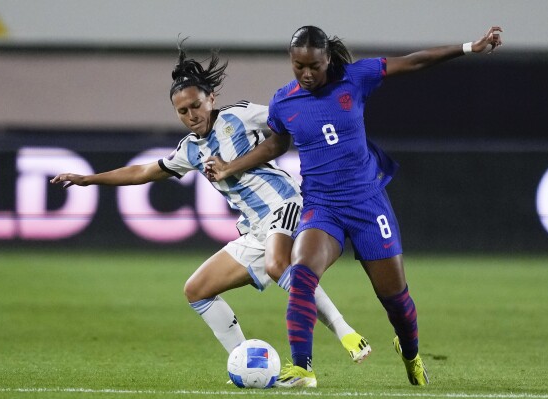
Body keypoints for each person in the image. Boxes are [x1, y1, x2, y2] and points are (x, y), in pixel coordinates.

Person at [205, 26, 503, 387]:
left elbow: (413, 61)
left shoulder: (355, 78)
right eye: (299, 66)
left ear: (327, 58)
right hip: (321, 206)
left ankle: (410, 353)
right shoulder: (284, 102)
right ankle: (302, 368)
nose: (307, 73)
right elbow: (275, 145)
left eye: (314, 65)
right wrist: (230, 167)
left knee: (396, 300)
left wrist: (471, 47)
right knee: (300, 275)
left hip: (367, 205)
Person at [49, 41, 372, 374]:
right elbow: (143, 171)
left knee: (279, 265)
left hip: (284, 204)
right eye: (183, 111)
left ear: (211, 98)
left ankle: (346, 333)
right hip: (253, 228)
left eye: (196, 106)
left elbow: (287, 125)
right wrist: (89, 179)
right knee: (197, 290)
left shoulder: (240, 115)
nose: (191, 116)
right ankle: (247, 365)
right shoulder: (189, 150)